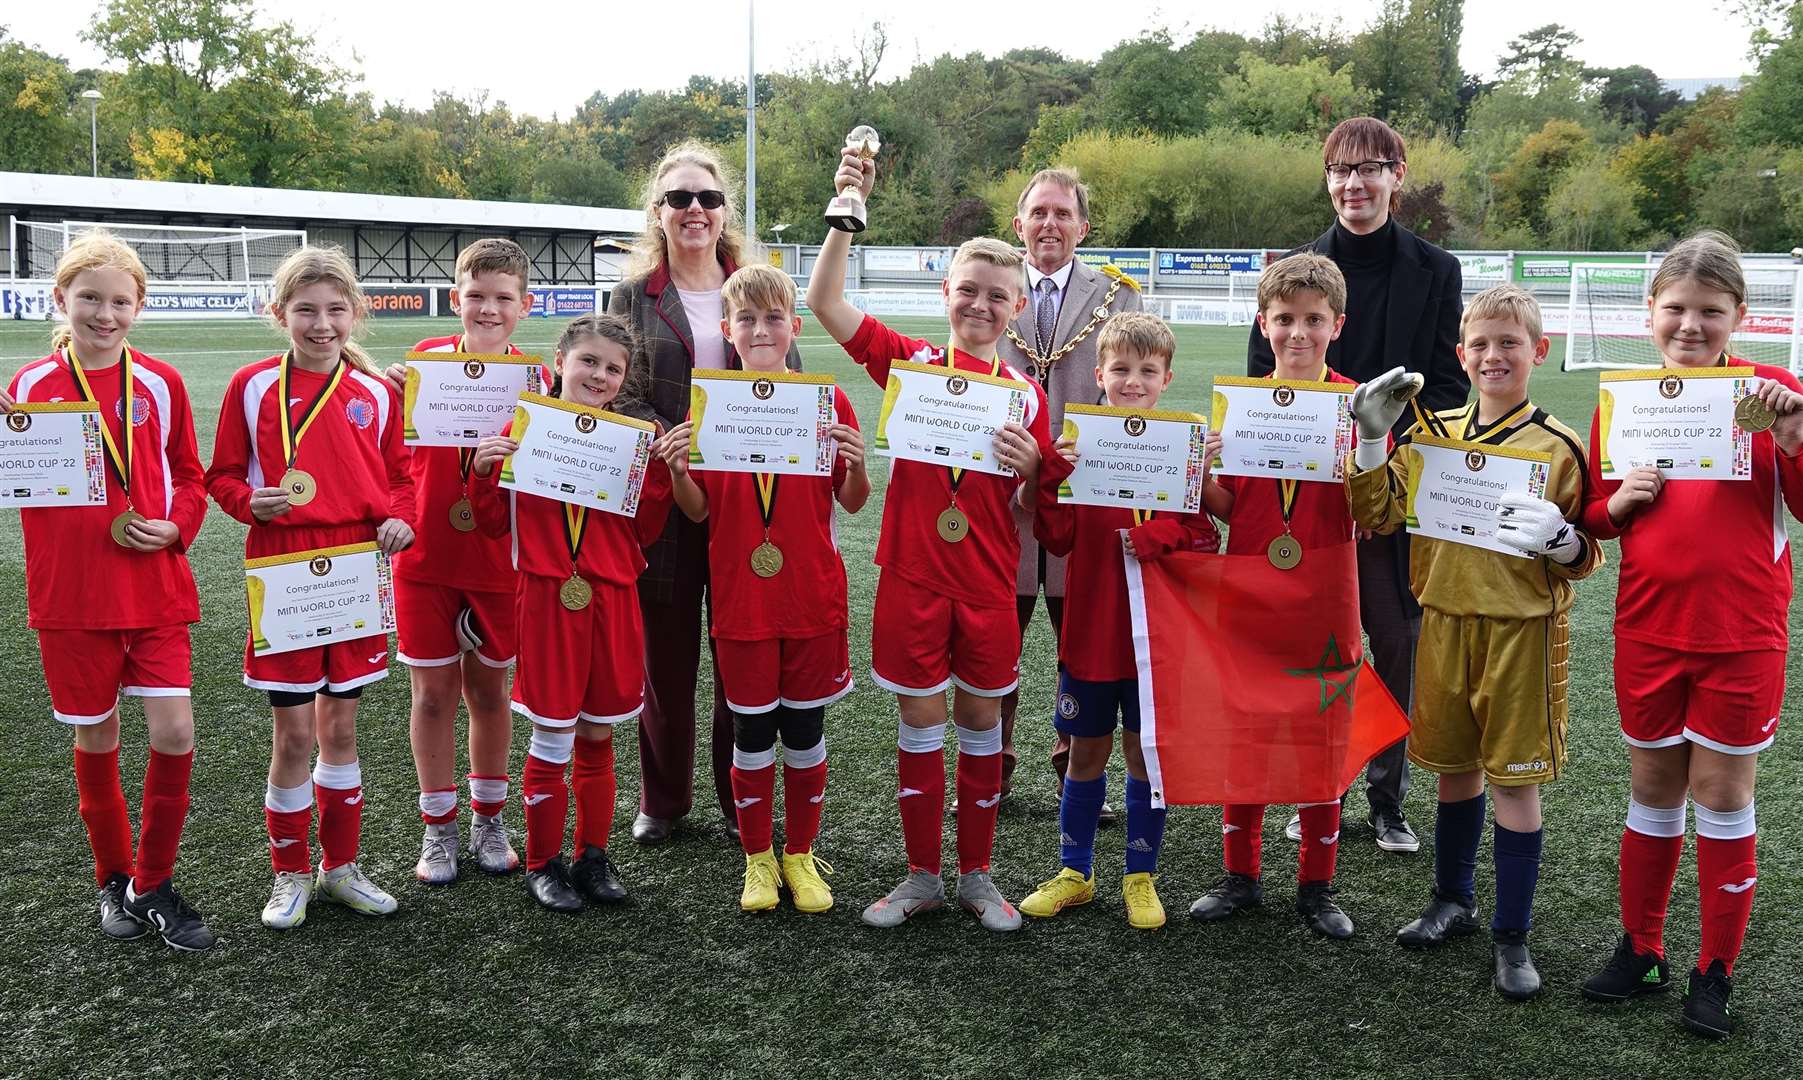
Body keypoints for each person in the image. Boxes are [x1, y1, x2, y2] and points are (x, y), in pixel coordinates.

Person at [807, 146, 1053, 932]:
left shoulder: (1026, 396)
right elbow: (823, 302)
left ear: (1016, 308)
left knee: (979, 722)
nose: (979, 306)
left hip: (986, 581)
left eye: (996, 297)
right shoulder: (910, 363)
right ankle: (919, 876)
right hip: (913, 572)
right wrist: (848, 208)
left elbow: (1036, 503)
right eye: (967, 291)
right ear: (945, 294)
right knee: (917, 723)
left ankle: (978, 876)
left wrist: (1031, 468)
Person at [1346, 284, 1602, 1000]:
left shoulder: (1558, 444)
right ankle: (1451, 899)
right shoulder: (1430, 433)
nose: (1493, 356)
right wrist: (1371, 439)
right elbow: (1374, 512)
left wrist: (1562, 541)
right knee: (1454, 769)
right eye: (1480, 345)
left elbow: (1587, 552)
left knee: (1514, 783)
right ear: (1461, 355)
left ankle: (1511, 934)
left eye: (1508, 343)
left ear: (1537, 352)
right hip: (1444, 622)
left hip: (1520, 631)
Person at [1577, 232, 1803, 1039]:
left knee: (1722, 795)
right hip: (1646, 628)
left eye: (1709, 312)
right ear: (1650, 312)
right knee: (1651, 791)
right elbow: (1596, 517)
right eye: (1674, 308)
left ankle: (1715, 968)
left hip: (1740, 632)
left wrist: (1793, 439)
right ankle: (1641, 949)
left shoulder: (1767, 391)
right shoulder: (1628, 400)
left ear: (1739, 314)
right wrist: (1620, 503)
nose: (1689, 326)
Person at [1249, 117, 1468, 854]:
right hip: (1308, 506)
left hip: (1393, 497)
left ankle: (1387, 799)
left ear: (1396, 176)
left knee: (1397, 646)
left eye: (1370, 168)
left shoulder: (1435, 270)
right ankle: (1319, 789)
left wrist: (1382, 474)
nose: (1354, 183)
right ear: (1327, 180)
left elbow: (1442, 389)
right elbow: (1261, 386)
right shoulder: (1296, 267)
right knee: (1318, 651)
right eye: (1341, 170)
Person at [3, 232, 214, 949]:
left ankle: (154, 881)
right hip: (71, 597)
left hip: (154, 586)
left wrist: (176, 525)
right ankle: (112, 881)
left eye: (119, 301)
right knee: (98, 735)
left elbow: (191, 476)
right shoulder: (29, 389)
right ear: (60, 299)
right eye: (89, 298)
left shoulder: (160, 382)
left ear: (139, 307)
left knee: (176, 731)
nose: (104, 313)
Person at [206, 246, 416, 931]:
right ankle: (290, 872)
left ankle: (342, 868)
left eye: (334, 310)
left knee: (342, 726)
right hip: (284, 566)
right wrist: (248, 502)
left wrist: (399, 519)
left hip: (355, 565)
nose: (321, 324)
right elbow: (222, 475)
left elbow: (402, 477)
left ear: (356, 313)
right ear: (279, 315)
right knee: (294, 732)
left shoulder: (380, 393)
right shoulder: (251, 386)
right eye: (305, 311)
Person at [655, 264, 870, 913]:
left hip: (810, 598)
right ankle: (756, 860)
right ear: (727, 330)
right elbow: (698, 512)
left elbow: (852, 502)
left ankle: (799, 855)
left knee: (803, 732)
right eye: (745, 319)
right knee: (751, 734)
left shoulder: (825, 400)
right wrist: (677, 471)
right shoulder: (711, 403)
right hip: (742, 600)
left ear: (793, 327)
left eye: (773, 318)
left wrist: (855, 463)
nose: (759, 329)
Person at [609, 141, 802, 846]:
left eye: (707, 199)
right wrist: (675, 439)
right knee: (664, 660)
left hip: (748, 506)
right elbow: (615, 391)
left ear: (723, 214)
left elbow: (790, 380)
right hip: (665, 497)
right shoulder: (632, 298)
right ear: (658, 213)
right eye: (679, 199)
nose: (694, 210)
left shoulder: (757, 284)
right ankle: (662, 801)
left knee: (739, 652)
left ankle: (736, 799)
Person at [467, 314, 674, 913]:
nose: (599, 375)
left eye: (613, 368)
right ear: (559, 361)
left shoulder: (630, 438)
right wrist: (483, 472)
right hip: (548, 594)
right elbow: (490, 522)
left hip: (612, 594)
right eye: (588, 361)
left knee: (599, 731)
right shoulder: (524, 426)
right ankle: (542, 860)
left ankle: (592, 855)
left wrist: (656, 476)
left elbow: (648, 529)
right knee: (552, 732)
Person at [1017, 312, 1215, 930]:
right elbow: (1058, 536)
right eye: (1121, 369)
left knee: (1141, 757)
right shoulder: (1079, 447)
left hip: (1154, 641)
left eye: (1146, 371)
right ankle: (1075, 871)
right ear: (1098, 374)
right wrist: (1050, 479)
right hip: (1091, 634)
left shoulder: (1181, 448)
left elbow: (1206, 535)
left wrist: (1160, 534)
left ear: (1166, 378)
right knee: (1084, 754)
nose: (1133, 381)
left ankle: (1139, 876)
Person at [1189, 254, 1362, 939]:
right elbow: (1238, 507)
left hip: (1326, 592)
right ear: (1263, 324)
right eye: (1284, 319)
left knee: (1322, 736)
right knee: (1248, 732)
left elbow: (1374, 512)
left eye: (1312, 320)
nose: (1298, 333)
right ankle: (1241, 874)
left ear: (1335, 326)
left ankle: (1316, 887)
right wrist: (1197, 476)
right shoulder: (1241, 402)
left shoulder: (1359, 405)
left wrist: (1368, 460)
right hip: (1251, 588)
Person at [385, 238, 541, 885]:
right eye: (475, 296)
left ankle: (488, 818)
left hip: (496, 563)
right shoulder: (419, 365)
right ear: (455, 298)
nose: (487, 308)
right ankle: (438, 829)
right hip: (424, 558)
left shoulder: (537, 380)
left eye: (502, 298)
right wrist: (390, 394)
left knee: (488, 692)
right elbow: (389, 459)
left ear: (524, 306)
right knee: (430, 697)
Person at [996, 168, 1144, 813]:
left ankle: (1073, 769)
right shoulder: (991, 285)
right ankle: (990, 768)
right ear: (1018, 223)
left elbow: (1137, 386)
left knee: (1080, 647)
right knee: (995, 648)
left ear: (1083, 227)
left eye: (1062, 213)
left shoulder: (1118, 296)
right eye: (1038, 213)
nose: (1049, 224)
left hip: (1085, 503)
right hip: (998, 501)